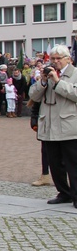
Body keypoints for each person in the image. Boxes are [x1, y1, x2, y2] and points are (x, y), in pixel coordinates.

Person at [28, 44, 77, 207]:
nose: (55, 62)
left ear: (68, 60)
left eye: (58, 59)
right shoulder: (47, 75)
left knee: (73, 164)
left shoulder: (74, 74)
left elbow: (75, 94)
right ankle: (64, 193)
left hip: (69, 127)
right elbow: (32, 95)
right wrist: (43, 81)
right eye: (52, 59)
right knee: (55, 164)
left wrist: (57, 82)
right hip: (49, 127)